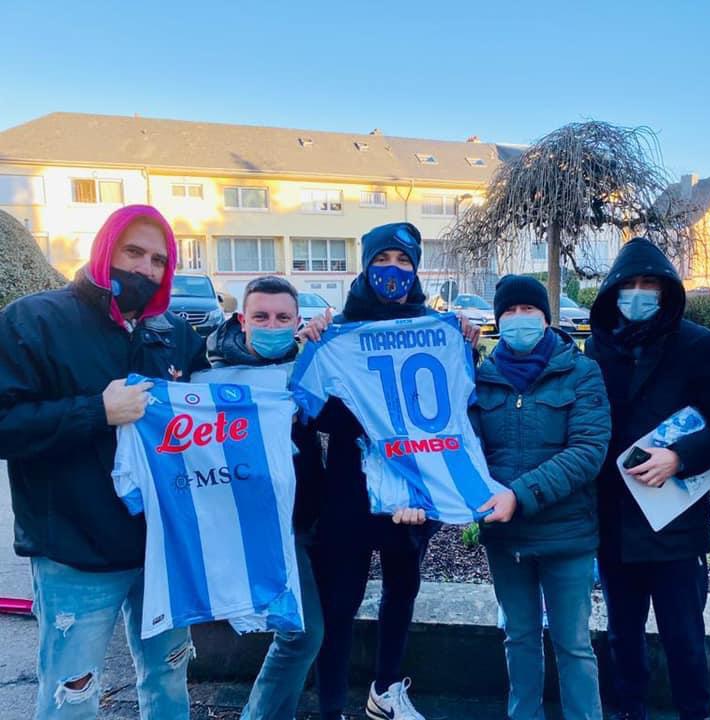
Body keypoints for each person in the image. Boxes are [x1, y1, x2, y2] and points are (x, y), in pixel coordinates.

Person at [0, 205, 207, 718]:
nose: (145, 269)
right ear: (104, 248)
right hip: (76, 551)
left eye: (159, 260)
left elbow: (216, 401)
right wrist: (96, 411)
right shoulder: (35, 321)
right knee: (70, 698)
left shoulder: (173, 333)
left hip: (163, 552)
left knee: (169, 681)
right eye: (133, 252)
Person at [306, 222, 478, 720]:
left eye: (404, 261)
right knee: (340, 602)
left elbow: (456, 405)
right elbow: (318, 414)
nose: (393, 270)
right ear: (365, 265)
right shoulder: (338, 330)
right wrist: (314, 349)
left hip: (414, 487)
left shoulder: (434, 327)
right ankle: (331, 707)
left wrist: (467, 346)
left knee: (402, 590)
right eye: (383, 259)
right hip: (351, 490)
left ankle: (384, 692)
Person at [585, 238, 710, 720]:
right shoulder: (598, 346)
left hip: (676, 518)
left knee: (684, 636)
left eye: (649, 284)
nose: (638, 294)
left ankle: (694, 712)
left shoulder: (697, 344)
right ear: (612, 292)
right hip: (615, 517)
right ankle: (627, 711)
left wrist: (679, 457)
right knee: (621, 633)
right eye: (628, 285)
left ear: (667, 291)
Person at [469, 275, 611, 720]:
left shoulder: (581, 372)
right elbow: (464, 448)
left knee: (574, 644)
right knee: (519, 638)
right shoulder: (480, 378)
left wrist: (519, 495)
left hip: (567, 536)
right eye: (509, 311)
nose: (518, 318)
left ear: (546, 317)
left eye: (527, 309)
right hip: (506, 538)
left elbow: (588, 451)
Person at [201, 275, 330, 720]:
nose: (272, 326)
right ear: (242, 320)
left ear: (297, 322)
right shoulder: (208, 373)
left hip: (304, 518)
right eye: (261, 317)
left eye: (282, 318)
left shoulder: (304, 364)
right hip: (254, 527)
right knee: (302, 633)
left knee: (302, 632)